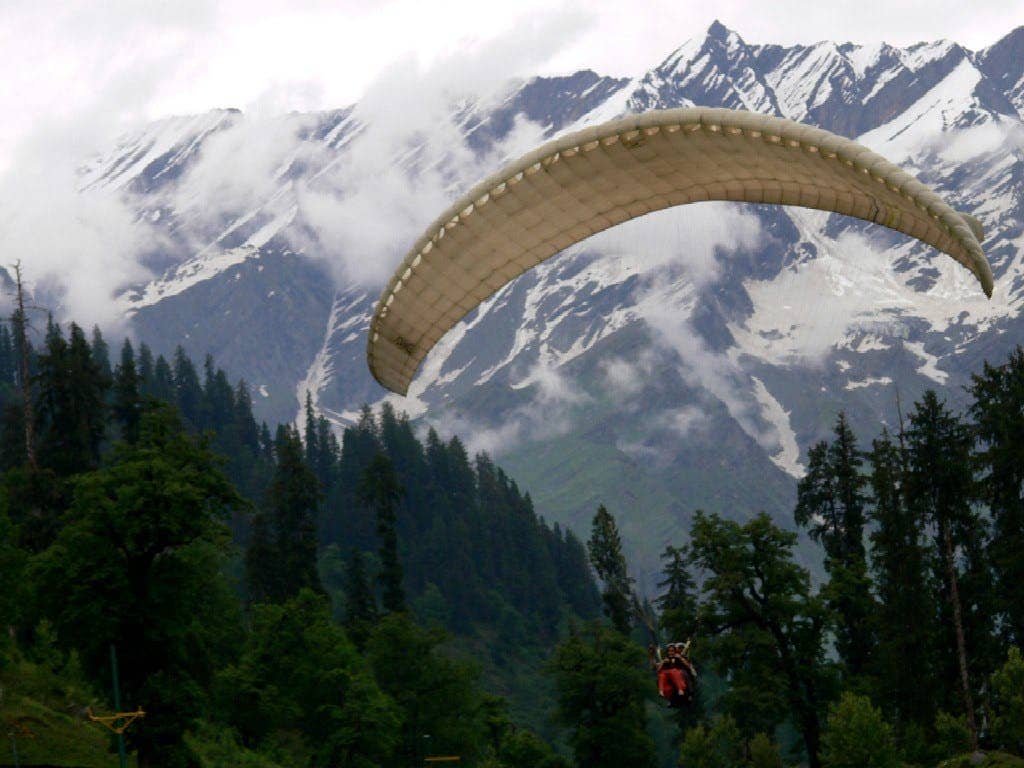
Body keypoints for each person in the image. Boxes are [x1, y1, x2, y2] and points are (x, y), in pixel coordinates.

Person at [649, 642, 689, 707]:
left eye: (672, 651)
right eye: (669, 651)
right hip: (670, 686)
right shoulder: (666, 660)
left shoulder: (679, 658)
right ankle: (663, 693)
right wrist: (652, 655)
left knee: (675, 672)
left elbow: (688, 666)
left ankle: (685, 693)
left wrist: (681, 659)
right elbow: (655, 667)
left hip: (681, 682)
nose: (671, 653)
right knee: (661, 676)